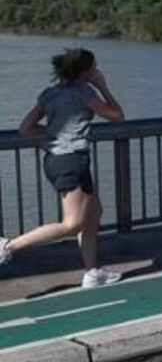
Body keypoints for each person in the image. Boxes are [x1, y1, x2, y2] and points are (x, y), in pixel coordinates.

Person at [0, 48, 126, 288]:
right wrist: (103, 87)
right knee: (73, 223)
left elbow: (26, 128)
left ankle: (93, 273)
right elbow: (117, 116)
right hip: (72, 161)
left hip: (55, 160)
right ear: (87, 71)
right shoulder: (85, 92)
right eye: (94, 68)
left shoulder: (50, 93)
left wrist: (52, 134)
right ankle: (8, 246)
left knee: (93, 214)